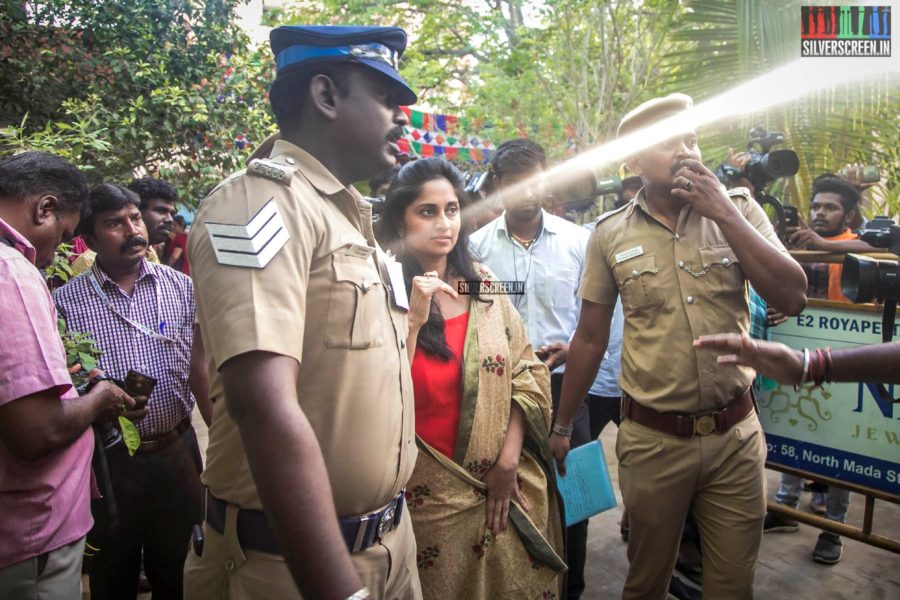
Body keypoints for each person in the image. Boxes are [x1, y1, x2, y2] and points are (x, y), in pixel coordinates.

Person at [184, 25, 422, 599]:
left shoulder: (347, 217)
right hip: (289, 569)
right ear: (325, 95)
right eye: (387, 97)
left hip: (390, 547)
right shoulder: (258, 203)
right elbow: (261, 406)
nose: (404, 117)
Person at [549, 93, 808, 600]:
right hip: (653, 442)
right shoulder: (608, 234)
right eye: (669, 142)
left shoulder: (739, 210)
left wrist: (724, 213)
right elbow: (590, 336)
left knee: (733, 586)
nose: (687, 150)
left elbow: (793, 295)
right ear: (634, 160)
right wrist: (562, 425)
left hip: (736, 436)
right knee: (646, 583)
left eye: (691, 138)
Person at [377, 157, 565, 599]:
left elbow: (526, 371)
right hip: (422, 502)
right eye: (427, 212)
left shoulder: (478, 285)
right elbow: (374, 393)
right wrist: (415, 320)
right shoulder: (381, 291)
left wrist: (508, 461)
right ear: (400, 222)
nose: (444, 224)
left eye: (452, 209)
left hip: (500, 487)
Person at [53, 183, 207, 599]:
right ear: (91, 235)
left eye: (134, 217)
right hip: (110, 462)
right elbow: (62, 386)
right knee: (113, 573)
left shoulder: (180, 288)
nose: (133, 230)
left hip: (177, 452)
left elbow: (200, 368)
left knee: (181, 571)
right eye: (115, 223)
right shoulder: (64, 303)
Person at [0, 151, 138, 598]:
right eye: (62, 237)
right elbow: (36, 432)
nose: (55, 254)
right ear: (44, 208)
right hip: (28, 537)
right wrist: (98, 398)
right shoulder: (12, 272)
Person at [469, 138, 591, 600]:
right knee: (505, 488)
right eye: (515, 182)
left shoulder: (579, 242)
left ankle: (572, 587)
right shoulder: (474, 249)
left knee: (572, 497)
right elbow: (471, 317)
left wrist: (574, 349)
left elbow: (598, 322)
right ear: (498, 185)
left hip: (566, 389)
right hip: (498, 393)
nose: (526, 192)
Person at [788, 174, 875, 302]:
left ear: (849, 216)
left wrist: (824, 245)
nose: (820, 213)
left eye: (830, 207)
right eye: (816, 207)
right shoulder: (796, 243)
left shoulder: (856, 242)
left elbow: (886, 246)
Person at [70, 176, 178, 274]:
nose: (169, 219)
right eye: (161, 211)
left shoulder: (153, 258)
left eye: (172, 213)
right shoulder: (88, 262)